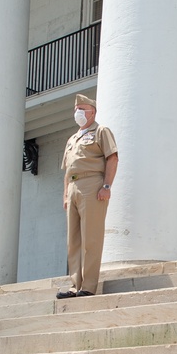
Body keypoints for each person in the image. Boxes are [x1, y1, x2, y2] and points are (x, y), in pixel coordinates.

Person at [57, 94, 118, 298]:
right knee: (73, 240)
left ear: (93, 112)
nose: (78, 113)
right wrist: (66, 193)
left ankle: (88, 286)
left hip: (92, 183)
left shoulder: (101, 131)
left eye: (82, 109)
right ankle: (75, 284)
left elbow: (112, 158)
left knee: (90, 237)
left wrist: (106, 185)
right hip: (73, 185)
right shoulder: (72, 138)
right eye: (76, 109)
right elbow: (67, 168)